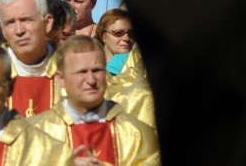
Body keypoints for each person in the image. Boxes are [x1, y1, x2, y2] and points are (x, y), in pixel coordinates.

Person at [28, 36, 160, 165]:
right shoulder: (36, 132)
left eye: (96, 70)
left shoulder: (137, 134)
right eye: (82, 72)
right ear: (61, 79)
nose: (91, 80)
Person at [0, 0, 62, 117]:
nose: (19, 30)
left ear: (47, 23)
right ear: (3, 31)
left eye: (26, 20)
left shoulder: (71, 66)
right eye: (10, 23)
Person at [95, 9, 136, 76]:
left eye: (131, 33)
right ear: (103, 36)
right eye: (118, 33)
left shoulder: (141, 67)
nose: (127, 38)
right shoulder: (91, 69)